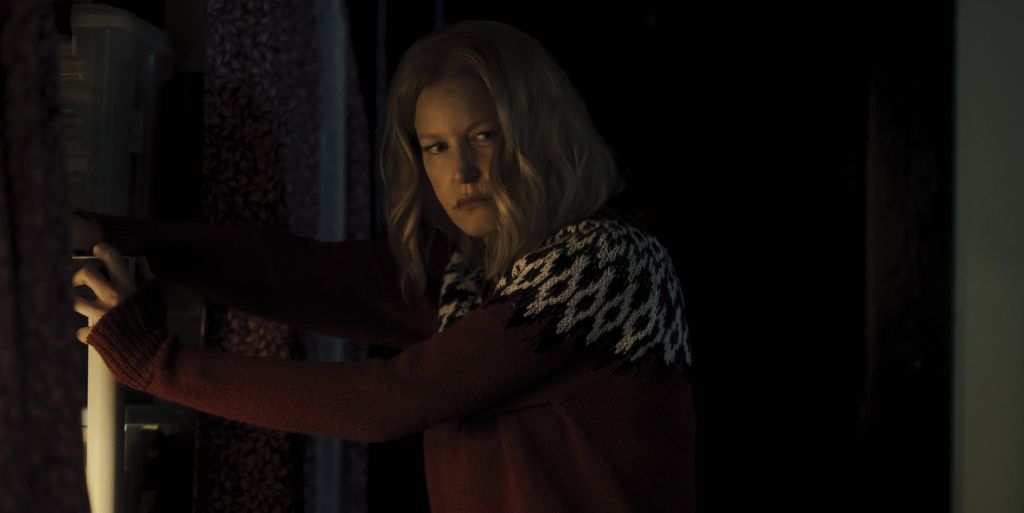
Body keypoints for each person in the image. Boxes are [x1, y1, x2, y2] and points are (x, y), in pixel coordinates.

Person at [71, 19, 694, 513]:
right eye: (436, 146)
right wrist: (120, 238)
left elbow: (385, 403)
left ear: (539, 133)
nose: (462, 172)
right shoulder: (474, 270)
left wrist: (155, 362)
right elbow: (308, 276)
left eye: (484, 136)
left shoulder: (608, 262)